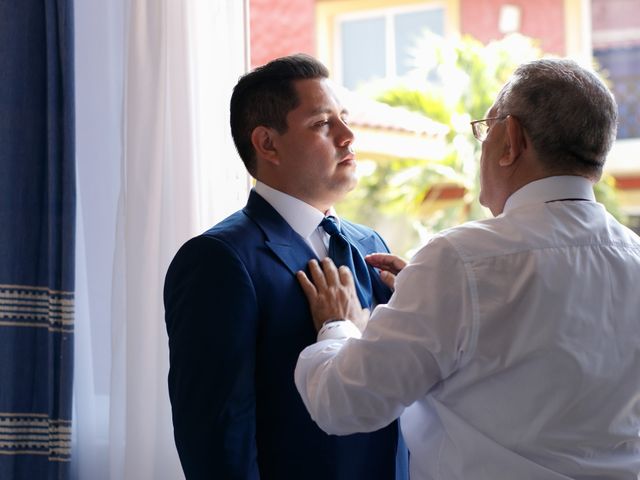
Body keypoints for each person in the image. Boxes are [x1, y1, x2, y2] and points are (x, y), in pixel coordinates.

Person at [294, 58, 640, 479]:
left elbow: (344, 404)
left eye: (486, 128)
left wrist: (337, 326)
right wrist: (430, 302)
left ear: (510, 139)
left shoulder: (460, 262)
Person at [163, 54, 407, 479]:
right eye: (322, 124)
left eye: (344, 119)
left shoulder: (372, 245)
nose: (348, 136)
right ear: (267, 143)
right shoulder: (218, 260)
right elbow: (217, 435)